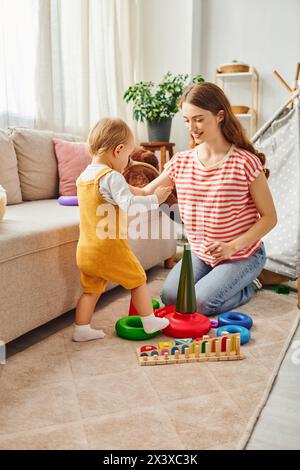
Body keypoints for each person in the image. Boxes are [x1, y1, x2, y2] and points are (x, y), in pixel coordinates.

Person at [143, 82, 277, 315]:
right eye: (186, 120)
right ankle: (225, 282)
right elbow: (145, 192)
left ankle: (250, 285)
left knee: (201, 304)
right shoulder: (181, 162)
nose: (192, 127)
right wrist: (105, 183)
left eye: (198, 119)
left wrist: (232, 247)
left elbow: (269, 218)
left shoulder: (245, 162)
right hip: (202, 253)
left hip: (242, 254)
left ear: (219, 116)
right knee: (172, 298)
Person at [73, 118, 171, 341]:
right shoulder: (112, 177)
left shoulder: (84, 177)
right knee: (137, 279)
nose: (127, 162)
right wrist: (155, 200)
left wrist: (150, 192)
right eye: (127, 156)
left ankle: (81, 328)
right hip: (109, 247)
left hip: (86, 249)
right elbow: (129, 204)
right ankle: (149, 320)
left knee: (92, 289)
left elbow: (135, 193)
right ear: (117, 150)